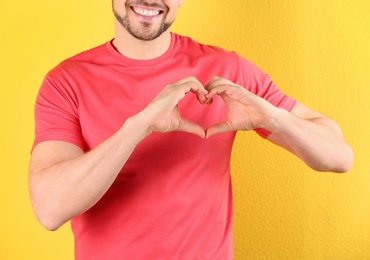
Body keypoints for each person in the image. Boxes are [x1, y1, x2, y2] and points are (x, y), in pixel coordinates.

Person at [28, 0, 353, 259]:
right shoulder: (65, 82)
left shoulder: (227, 70)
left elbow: (339, 156)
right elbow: (50, 209)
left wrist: (273, 118)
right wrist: (139, 126)